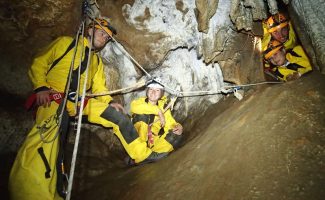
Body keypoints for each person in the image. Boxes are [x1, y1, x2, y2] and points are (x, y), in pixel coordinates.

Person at [9, 18, 167, 200]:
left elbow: (99, 87)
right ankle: (30, 194)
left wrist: (108, 102)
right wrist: (41, 87)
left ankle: (142, 154)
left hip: (78, 102)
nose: (105, 38)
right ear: (90, 30)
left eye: (107, 37)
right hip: (53, 98)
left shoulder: (96, 62)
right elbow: (39, 62)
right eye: (102, 33)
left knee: (117, 116)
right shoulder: (65, 44)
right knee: (46, 140)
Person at [130, 79, 183, 157]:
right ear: (147, 91)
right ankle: (140, 153)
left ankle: (151, 154)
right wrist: (158, 111)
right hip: (138, 140)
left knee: (175, 135)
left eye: (157, 90)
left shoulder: (163, 106)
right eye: (151, 89)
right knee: (142, 116)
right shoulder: (139, 102)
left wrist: (177, 126)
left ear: (161, 94)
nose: (153, 92)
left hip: (153, 141)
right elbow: (134, 108)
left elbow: (169, 123)